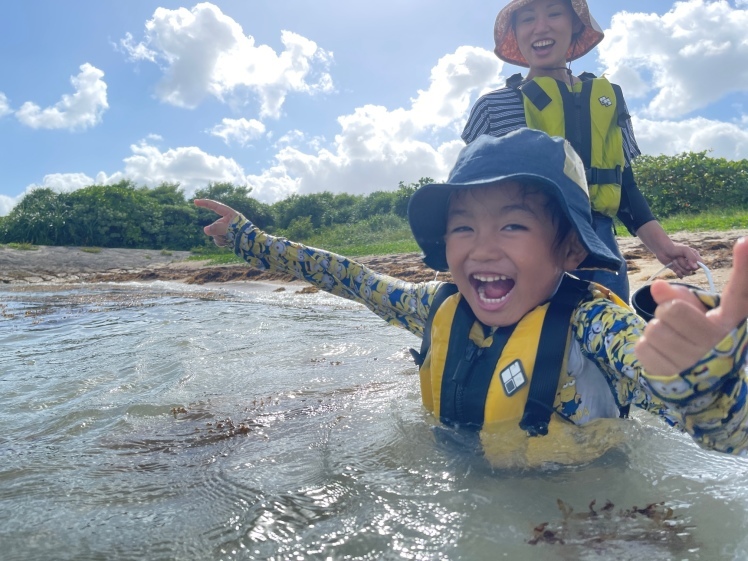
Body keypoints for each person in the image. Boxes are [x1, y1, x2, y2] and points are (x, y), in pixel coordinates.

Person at [195, 128, 748, 469]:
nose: (481, 249)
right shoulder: (436, 308)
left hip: (584, 510)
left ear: (572, 250)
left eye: (512, 226)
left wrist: (707, 384)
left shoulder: (598, 324)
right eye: (463, 228)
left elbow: (722, 437)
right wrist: (252, 241)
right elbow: (352, 278)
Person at [461, 0, 701, 302]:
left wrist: (665, 248)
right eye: (527, 19)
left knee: (604, 343)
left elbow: (625, 188)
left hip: (599, 249)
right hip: (519, 255)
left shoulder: (609, 99)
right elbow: (466, 198)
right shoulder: (492, 108)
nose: (540, 27)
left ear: (575, 24)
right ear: (516, 33)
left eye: (553, 13)